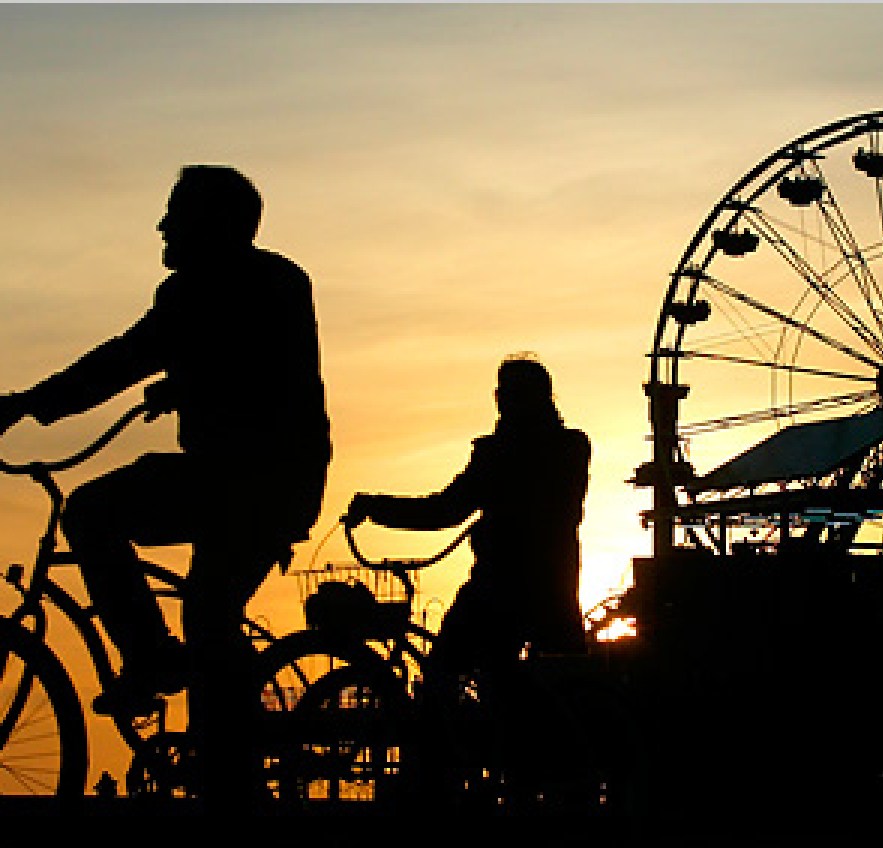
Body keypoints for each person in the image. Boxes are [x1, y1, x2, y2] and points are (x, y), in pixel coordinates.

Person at [0, 166, 332, 752]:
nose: (162, 226)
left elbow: (129, 357)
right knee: (209, 617)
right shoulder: (268, 282)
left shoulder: (211, 289)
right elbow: (235, 361)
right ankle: (222, 752)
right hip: (260, 482)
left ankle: (156, 665)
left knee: (92, 514)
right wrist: (183, 384)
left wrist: (27, 405)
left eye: (175, 213)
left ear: (214, 223)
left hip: (249, 481)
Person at [345, 355, 590, 687]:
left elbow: (443, 510)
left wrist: (375, 508)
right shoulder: (572, 446)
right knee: (563, 683)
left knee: (443, 672)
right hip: (555, 587)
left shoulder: (497, 454)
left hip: (498, 587)